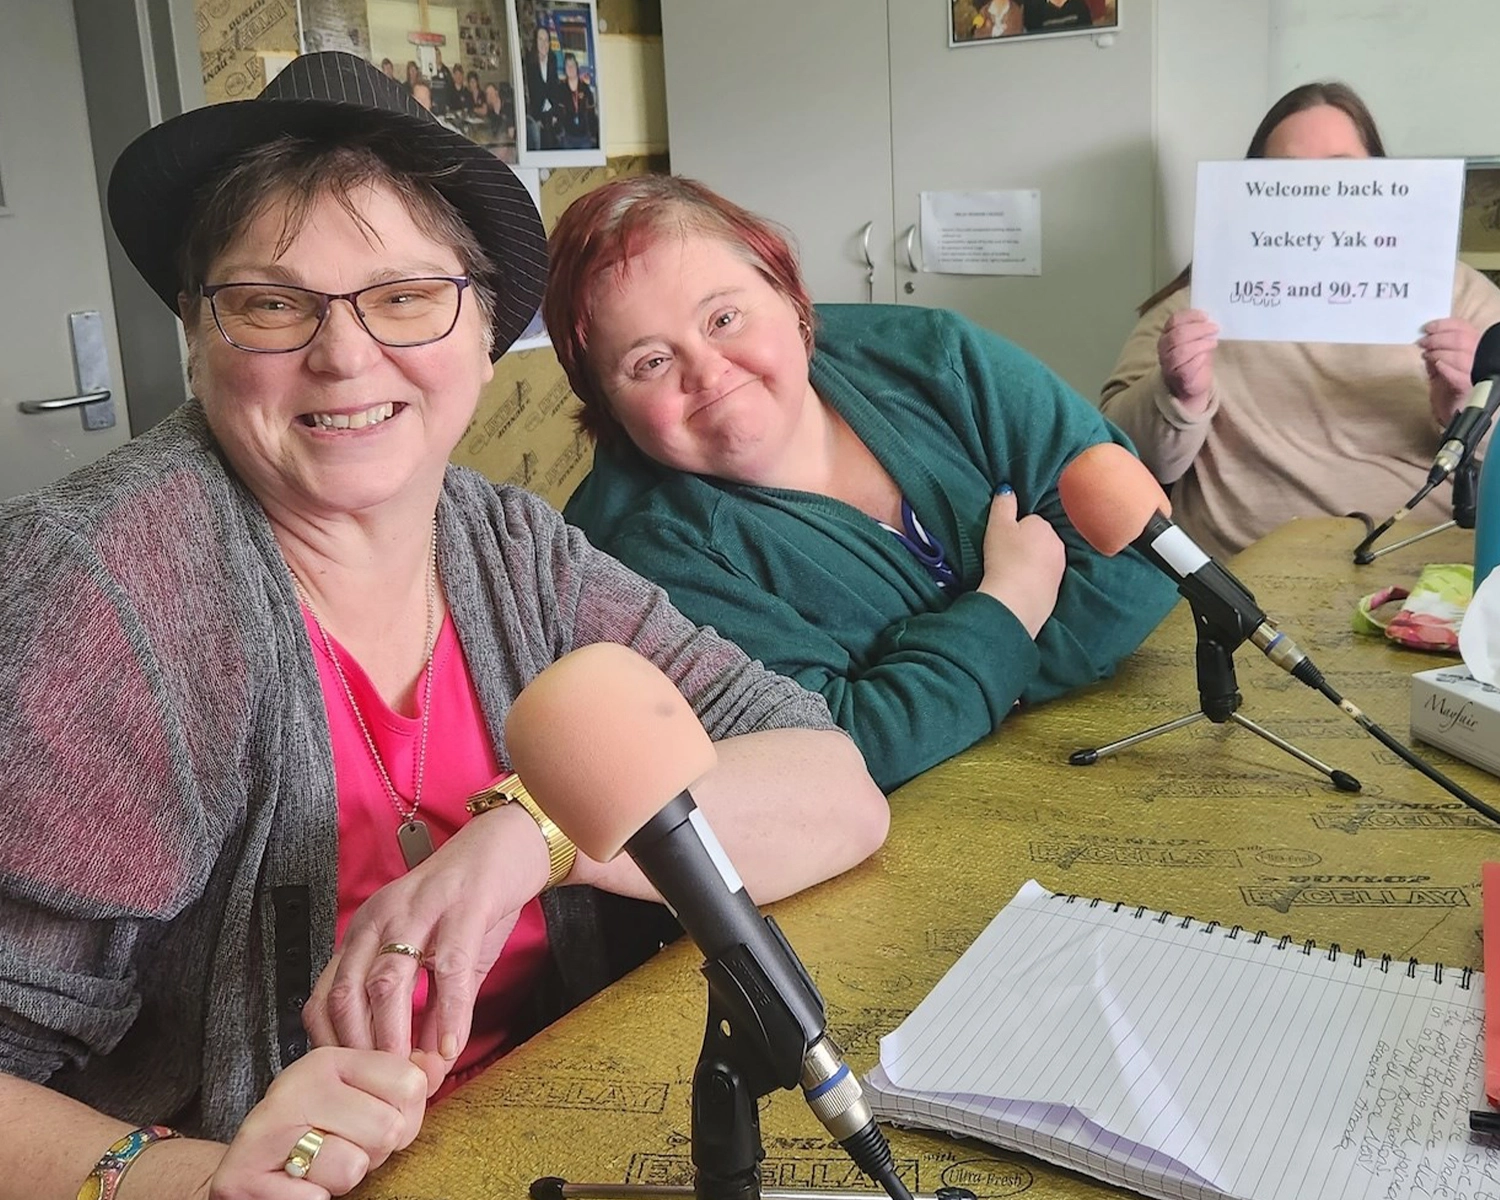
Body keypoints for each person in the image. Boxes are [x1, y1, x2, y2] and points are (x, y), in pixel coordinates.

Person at [0, 54, 888, 1200]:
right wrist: (168, 1175)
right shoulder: (113, 588)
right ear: (196, 329)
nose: (344, 354)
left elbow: (834, 788)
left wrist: (541, 832)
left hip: (546, 1136)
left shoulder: (509, 548)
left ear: (480, 333)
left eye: (406, 297)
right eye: (273, 303)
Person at [551, 176, 1178, 793]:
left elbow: (1144, 556)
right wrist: (1011, 605)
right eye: (650, 362)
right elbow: (838, 753)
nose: (709, 370)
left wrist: (964, 692)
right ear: (610, 411)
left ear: (793, 302)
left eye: (724, 318)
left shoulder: (933, 355)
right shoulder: (640, 558)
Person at [1100, 81, 1500, 559]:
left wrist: (1462, 407)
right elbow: (1118, 461)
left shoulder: (1460, 297)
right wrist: (1177, 395)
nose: (1317, 195)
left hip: (1420, 574)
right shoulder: (1196, 307)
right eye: (1287, 178)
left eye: (1341, 173)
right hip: (1243, 581)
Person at [524, 24, 560, 150]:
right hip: (537, 110)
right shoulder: (530, 61)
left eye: (546, 40)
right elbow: (532, 90)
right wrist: (536, 117)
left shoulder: (553, 59)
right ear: (536, 41)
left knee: (552, 144)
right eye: (540, 39)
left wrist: (555, 113)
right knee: (540, 144)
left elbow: (555, 87)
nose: (544, 43)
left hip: (551, 110)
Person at [556, 53, 599, 149]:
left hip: (585, 138)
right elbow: (558, 113)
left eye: (573, 65)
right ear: (565, 69)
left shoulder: (585, 88)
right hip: (567, 138)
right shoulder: (560, 89)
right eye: (568, 65)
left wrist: (593, 136)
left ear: (577, 67)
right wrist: (560, 132)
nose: (570, 68)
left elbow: (591, 114)